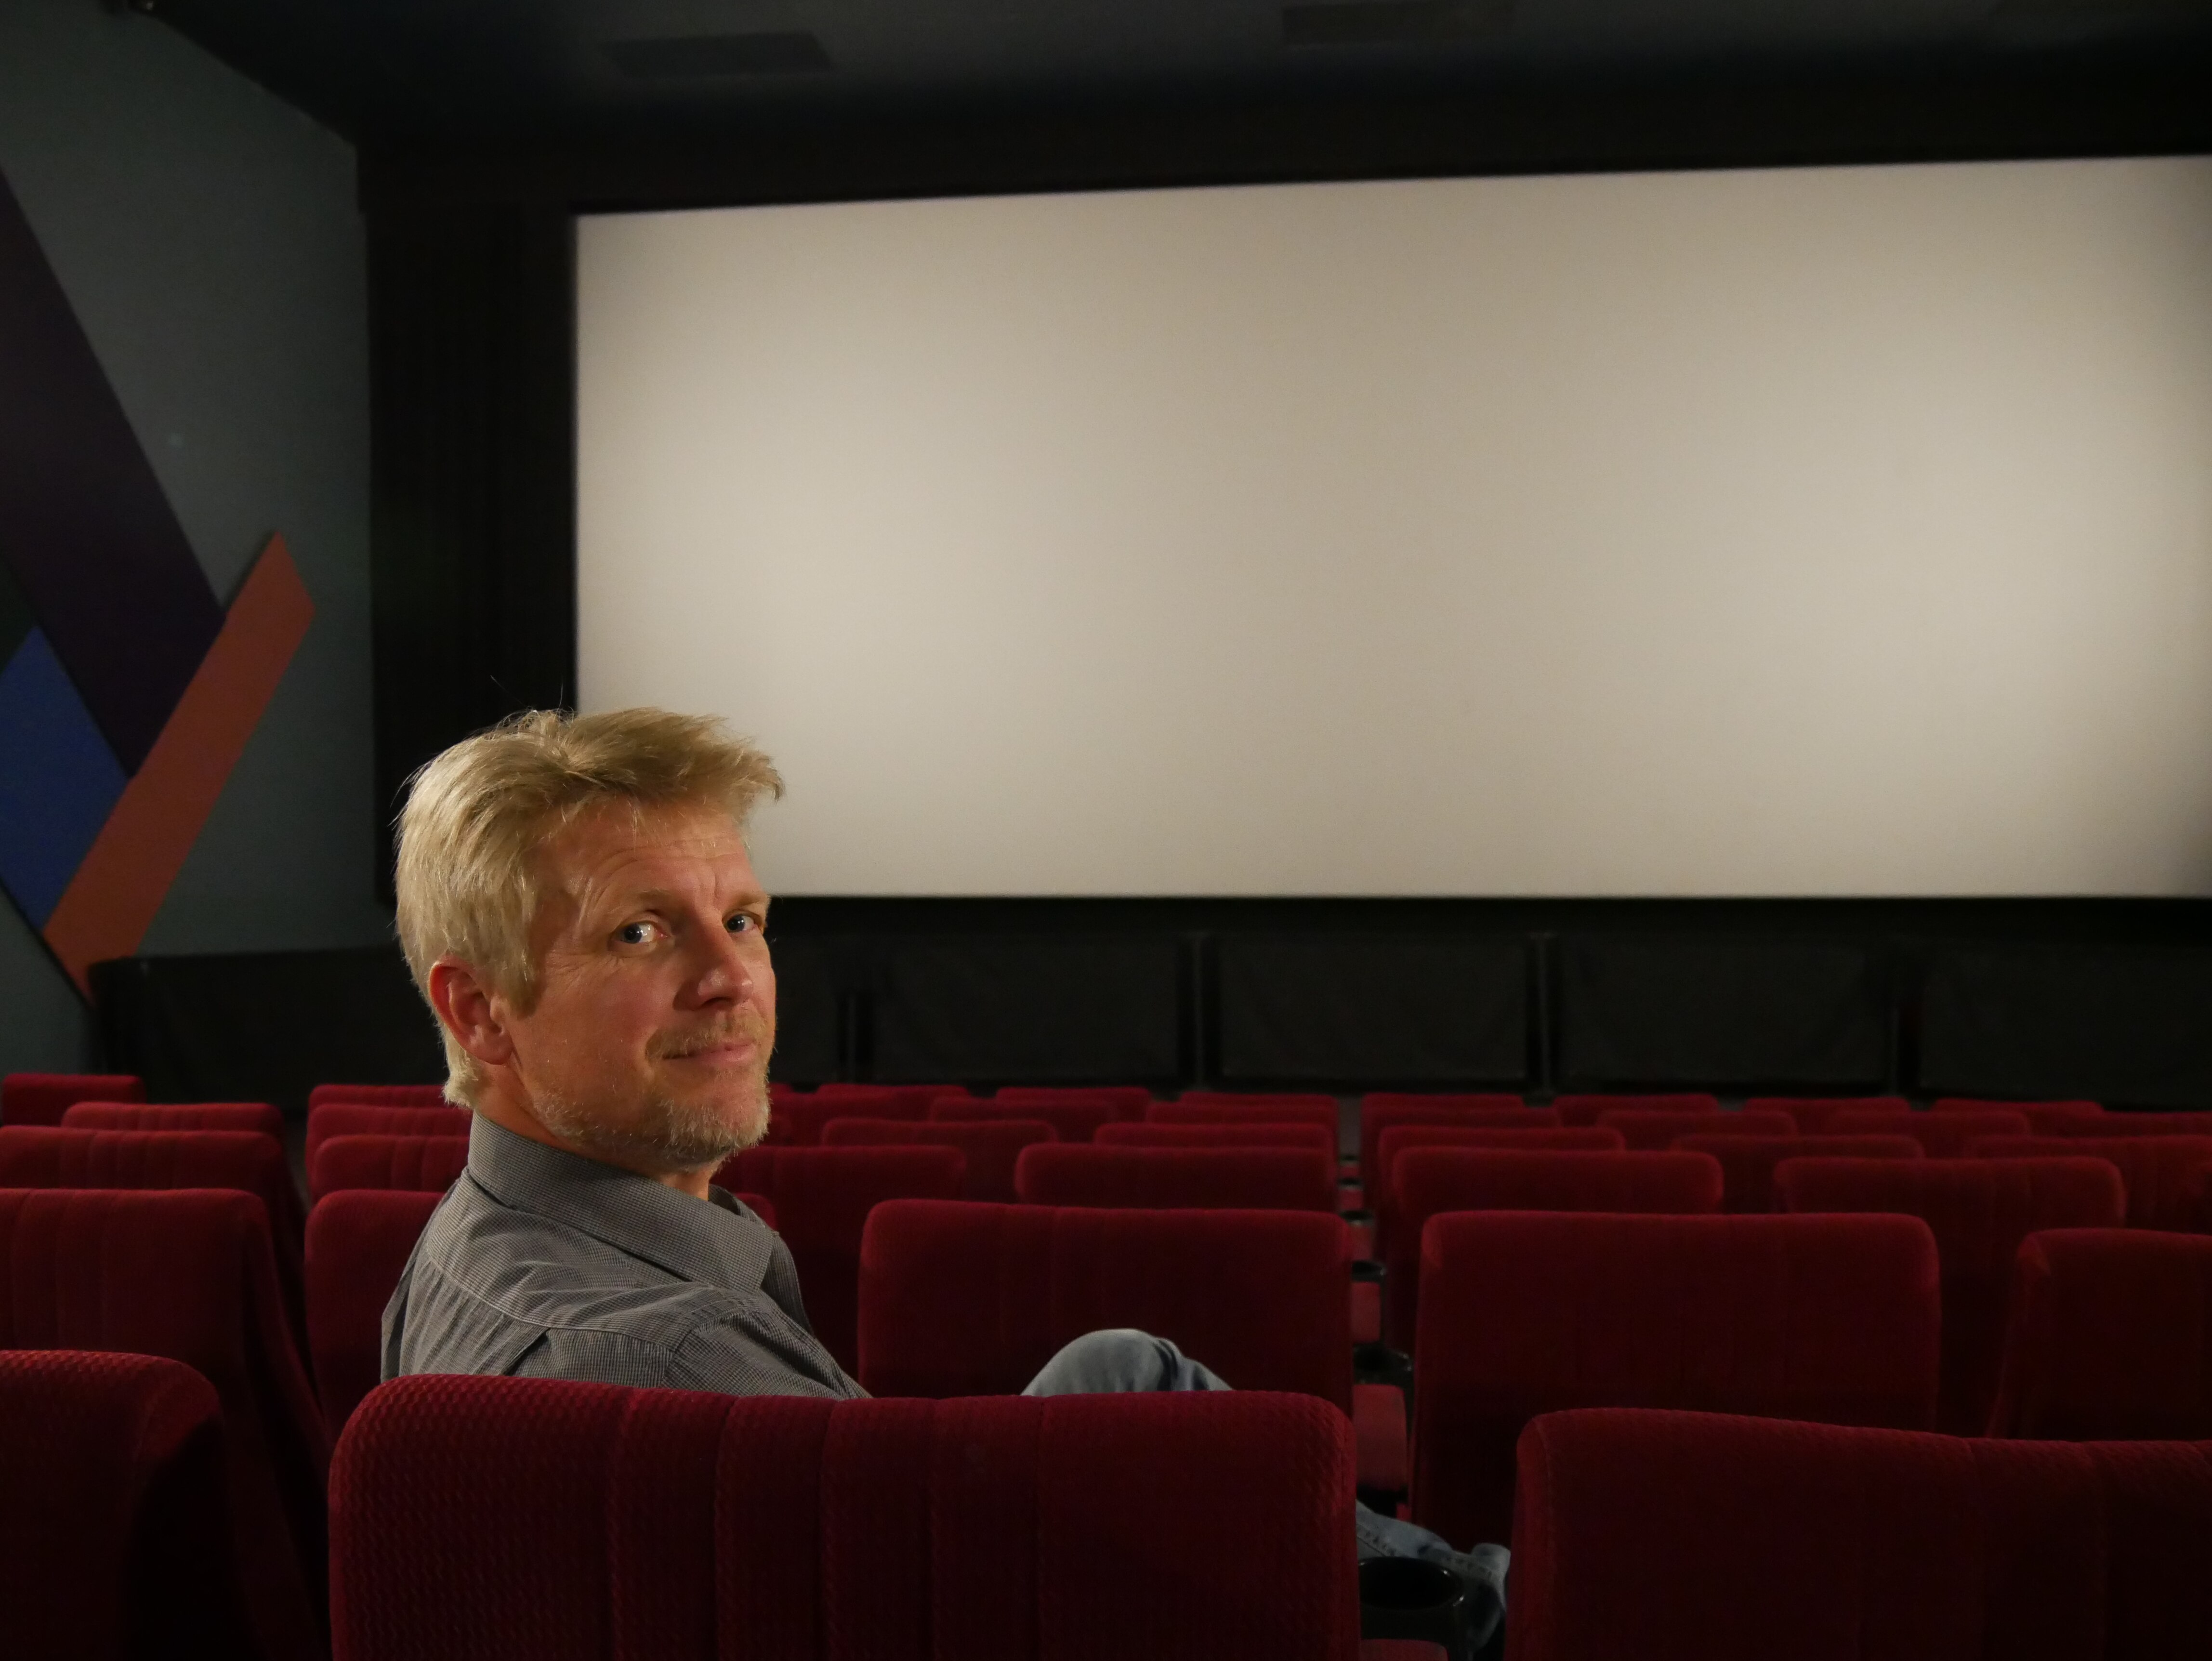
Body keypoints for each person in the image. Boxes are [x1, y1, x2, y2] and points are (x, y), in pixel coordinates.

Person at [380, 708, 1505, 1636]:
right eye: (639, 931)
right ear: (481, 1010)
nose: (734, 976)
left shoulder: (460, 1241)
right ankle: (1496, 1609)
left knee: (1124, 1366)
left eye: (743, 919)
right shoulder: (669, 1358)